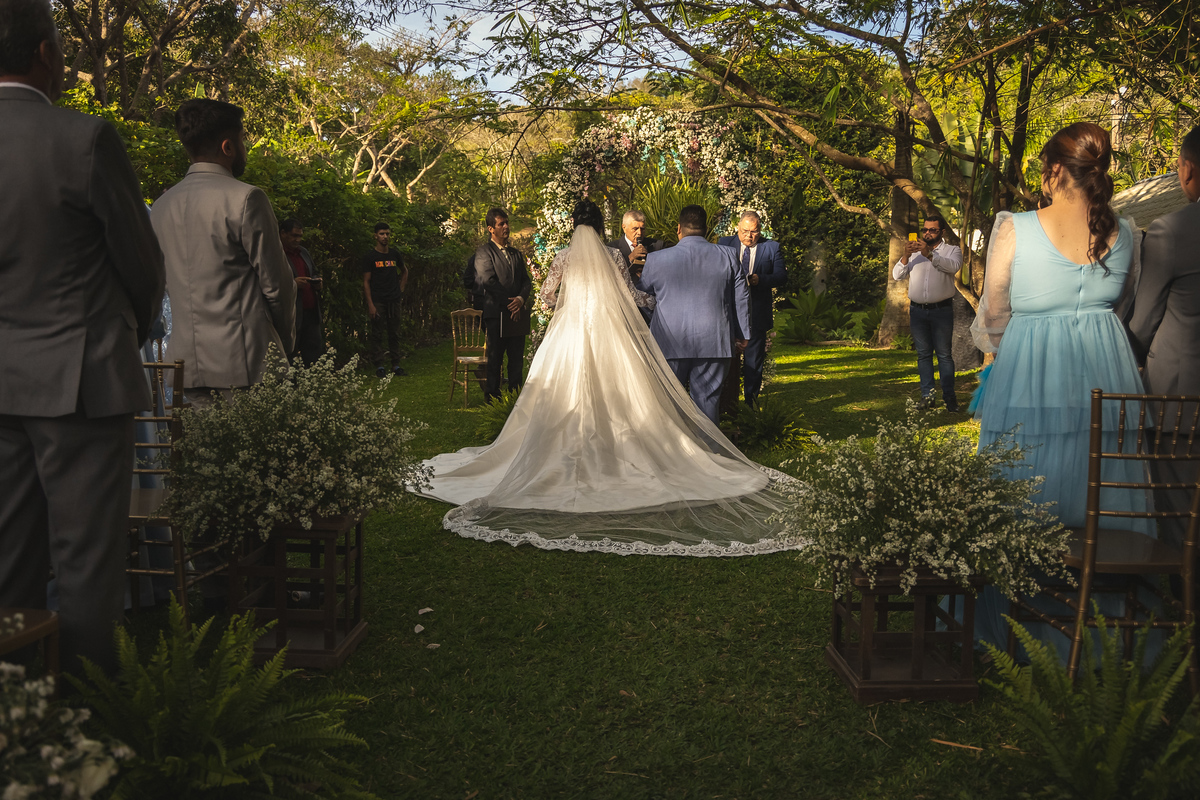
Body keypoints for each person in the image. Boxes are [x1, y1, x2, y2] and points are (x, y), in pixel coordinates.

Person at [415, 200, 800, 556]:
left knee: (560, 391)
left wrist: (571, 304)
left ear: (573, 225)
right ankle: (650, 450)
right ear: (600, 227)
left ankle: (568, 450)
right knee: (624, 393)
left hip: (569, 334)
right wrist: (652, 302)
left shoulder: (564, 256)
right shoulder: (614, 255)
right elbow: (632, 295)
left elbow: (548, 296)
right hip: (609, 333)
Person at [0, 0, 166, 675]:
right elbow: (141, 263)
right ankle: (89, 732)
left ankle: (19, 721)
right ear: (44, 53)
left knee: (8, 566)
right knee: (86, 568)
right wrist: (133, 328)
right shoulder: (82, 138)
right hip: (81, 382)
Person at [969, 121, 1149, 658]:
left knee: (1024, 487)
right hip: (1106, 367)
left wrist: (1013, 353)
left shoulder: (1016, 227)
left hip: (1030, 366)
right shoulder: (1129, 232)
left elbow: (993, 314)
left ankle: (1017, 626)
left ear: (1052, 171)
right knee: (1101, 487)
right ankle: (1102, 629)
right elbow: (1123, 305)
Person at [151, 98, 296, 406]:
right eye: (243, 139)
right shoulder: (246, 199)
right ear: (228, 147)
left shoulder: (161, 207)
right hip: (247, 366)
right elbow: (278, 286)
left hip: (185, 368)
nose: (245, 147)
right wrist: (283, 343)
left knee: (202, 454)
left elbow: (160, 286)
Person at [1127, 124, 1200, 550]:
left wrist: (1124, 360)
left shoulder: (1170, 231)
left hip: (1182, 400)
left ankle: (1184, 610)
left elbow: (1143, 320)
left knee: (1180, 522)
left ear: (1186, 170)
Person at [638, 205, 750, 424]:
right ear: (706, 229)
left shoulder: (657, 259)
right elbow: (742, 297)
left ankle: (673, 453)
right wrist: (743, 332)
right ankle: (708, 454)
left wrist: (656, 322)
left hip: (668, 342)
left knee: (669, 404)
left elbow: (641, 296)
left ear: (678, 228)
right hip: (714, 341)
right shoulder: (728, 255)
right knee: (707, 404)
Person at [892, 216, 963, 411]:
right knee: (923, 355)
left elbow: (954, 267)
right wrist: (905, 255)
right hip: (917, 311)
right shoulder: (914, 254)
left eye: (932, 230)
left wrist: (930, 254)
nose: (927, 233)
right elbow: (897, 275)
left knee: (944, 356)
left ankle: (950, 399)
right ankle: (927, 397)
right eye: (925, 230)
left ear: (942, 232)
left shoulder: (952, 251)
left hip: (942, 311)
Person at [717, 211, 788, 406]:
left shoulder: (771, 248)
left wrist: (761, 279)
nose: (749, 236)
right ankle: (725, 406)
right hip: (727, 312)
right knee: (724, 363)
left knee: (753, 364)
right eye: (745, 231)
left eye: (754, 232)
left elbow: (782, 276)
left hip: (756, 312)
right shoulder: (724, 244)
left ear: (760, 230)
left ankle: (751, 409)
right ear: (737, 228)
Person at [474, 208, 532, 402]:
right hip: (496, 315)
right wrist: (511, 304)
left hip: (517, 316)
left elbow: (526, 281)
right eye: (501, 224)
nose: (506, 227)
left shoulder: (516, 254)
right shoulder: (484, 253)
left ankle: (516, 401)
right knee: (495, 361)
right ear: (491, 228)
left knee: (516, 362)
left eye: (507, 223)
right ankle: (492, 401)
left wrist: (520, 300)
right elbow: (488, 281)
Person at [362, 222, 408, 378]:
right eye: (382, 234)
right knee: (377, 333)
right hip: (378, 300)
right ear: (375, 236)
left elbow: (404, 271)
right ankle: (380, 366)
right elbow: (366, 281)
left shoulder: (394, 254)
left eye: (387, 234)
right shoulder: (370, 257)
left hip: (393, 299)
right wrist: (370, 304)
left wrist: (400, 289)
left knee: (394, 332)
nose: (385, 237)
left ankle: (396, 364)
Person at [280, 218, 324, 366]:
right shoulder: (277, 255)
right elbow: (270, 282)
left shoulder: (303, 252)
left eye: (300, 236)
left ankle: (312, 384)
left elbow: (314, 271)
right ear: (283, 234)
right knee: (289, 353)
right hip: (290, 314)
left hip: (310, 311)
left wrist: (317, 281)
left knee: (313, 352)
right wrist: (293, 284)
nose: (297, 239)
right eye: (294, 235)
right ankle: (290, 385)